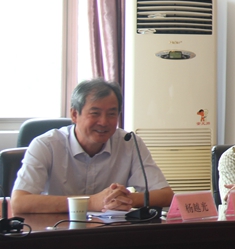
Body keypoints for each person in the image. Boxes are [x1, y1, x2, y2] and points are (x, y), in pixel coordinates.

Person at [11, 78, 173, 213]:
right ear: (74, 114)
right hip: (58, 231)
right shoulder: (46, 145)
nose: (103, 122)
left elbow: (166, 195)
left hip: (109, 232)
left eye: (111, 114)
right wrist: (91, 202)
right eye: (95, 113)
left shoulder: (129, 143)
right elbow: (19, 202)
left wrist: (123, 199)